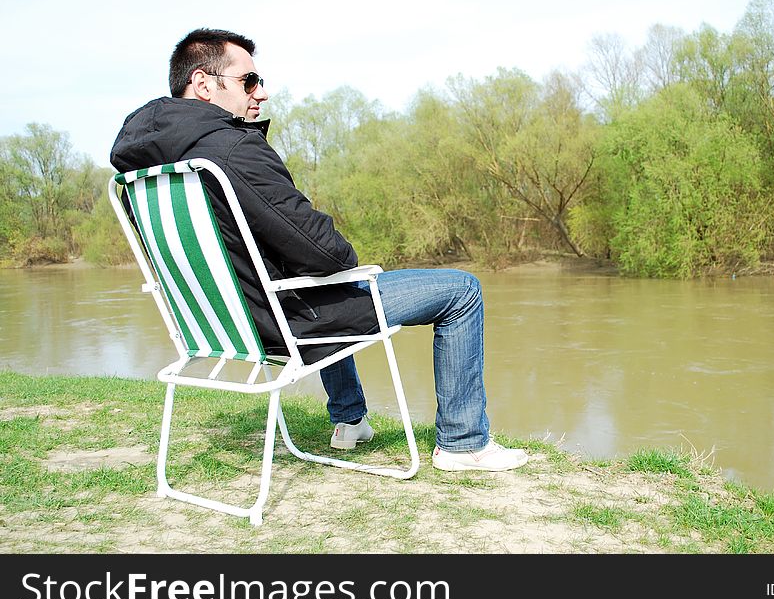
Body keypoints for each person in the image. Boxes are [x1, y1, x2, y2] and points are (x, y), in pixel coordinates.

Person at [111, 28, 527, 472]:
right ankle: (463, 444)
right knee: (460, 290)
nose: (262, 93)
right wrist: (339, 252)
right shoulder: (232, 149)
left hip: (224, 327)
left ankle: (350, 422)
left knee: (310, 280)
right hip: (284, 324)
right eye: (249, 81)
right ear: (204, 84)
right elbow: (326, 254)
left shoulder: (146, 170)